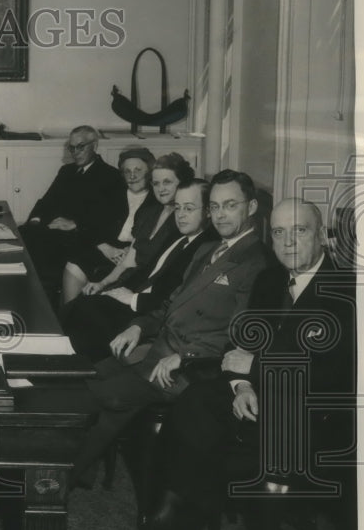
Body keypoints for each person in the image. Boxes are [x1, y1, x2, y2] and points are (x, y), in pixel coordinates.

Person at [105, 199, 356, 530]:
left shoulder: (345, 293)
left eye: (300, 230)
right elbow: (242, 346)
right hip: (257, 395)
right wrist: (242, 385)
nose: (288, 242)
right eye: (278, 232)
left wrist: (253, 372)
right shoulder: (271, 281)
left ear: (322, 235)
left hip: (312, 418)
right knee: (193, 404)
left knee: (201, 425)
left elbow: (326, 374)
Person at [70, 169, 271, 485]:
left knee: (100, 396)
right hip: (157, 351)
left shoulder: (256, 264)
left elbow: (241, 338)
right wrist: (138, 326)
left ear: (252, 207)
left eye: (230, 205)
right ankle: (67, 476)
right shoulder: (209, 250)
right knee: (84, 380)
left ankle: (54, 483)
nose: (220, 215)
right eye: (215, 206)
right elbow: (170, 304)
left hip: (190, 371)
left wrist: (186, 356)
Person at [64, 178, 216, 361]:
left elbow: (177, 297)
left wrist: (132, 298)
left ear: (208, 211)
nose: (180, 215)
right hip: (136, 297)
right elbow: (147, 271)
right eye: (178, 207)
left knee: (86, 313)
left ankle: (79, 369)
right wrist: (115, 290)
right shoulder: (178, 236)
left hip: (150, 311)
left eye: (189, 208)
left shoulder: (206, 247)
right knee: (75, 306)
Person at [18, 125, 125, 301]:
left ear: (95, 146)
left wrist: (76, 224)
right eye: (72, 147)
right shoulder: (66, 171)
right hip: (52, 230)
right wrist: (36, 222)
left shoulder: (111, 176)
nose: (75, 152)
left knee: (41, 262)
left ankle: (42, 305)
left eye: (81, 146)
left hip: (82, 237)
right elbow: (46, 202)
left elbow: (110, 219)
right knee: (22, 236)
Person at [60, 145, 158, 303]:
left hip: (134, 255)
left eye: (138, 170)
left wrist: (131, 251)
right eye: (127, 171)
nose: (132, 176)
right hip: (106, 247)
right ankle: (67, 315)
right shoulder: (111, 194)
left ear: (149, 172)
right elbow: (87, 226)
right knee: (75, 264)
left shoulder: (156, 199)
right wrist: (105, 247)